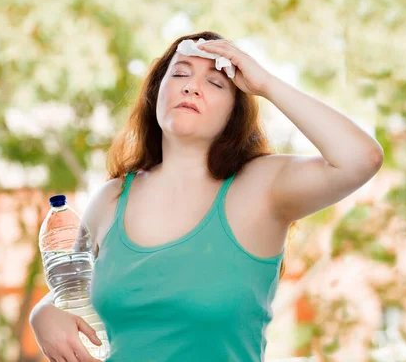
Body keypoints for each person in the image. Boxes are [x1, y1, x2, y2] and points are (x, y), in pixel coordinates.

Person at [29, 31, 384, 362]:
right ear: (157, 93)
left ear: (234, 113)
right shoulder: (111, 198)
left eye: (215, 82)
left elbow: (360, 159)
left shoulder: (260, 188)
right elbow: (76, 289)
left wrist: (266, 84)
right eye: (180, 75)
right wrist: (44, 312)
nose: (192, 88)